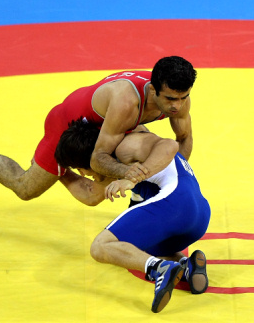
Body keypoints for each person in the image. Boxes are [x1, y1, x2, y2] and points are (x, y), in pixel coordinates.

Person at [0, 56, 196, 201]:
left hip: (109, 124)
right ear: (153, 90)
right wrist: (130, 175)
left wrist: (177, 179)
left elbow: (183, 139)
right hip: (68, 124)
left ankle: (139, 197)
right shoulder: (126, 102)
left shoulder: (177, 98)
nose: (176, 106)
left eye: (182, 98)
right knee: (28, 188)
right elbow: (99, 159)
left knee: (148, 153)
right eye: (170, 99)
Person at [55, 118, 211, 313]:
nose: (82, 174)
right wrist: (57, 171)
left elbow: (168, 145)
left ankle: (159, 268)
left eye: (79, 168)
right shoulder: (117, 158)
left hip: (176, 202)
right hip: (198, 217)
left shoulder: (126, 146)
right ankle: (186, 265)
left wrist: (132, 180)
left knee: (100, 246)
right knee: (133, 248)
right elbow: (92, 195)